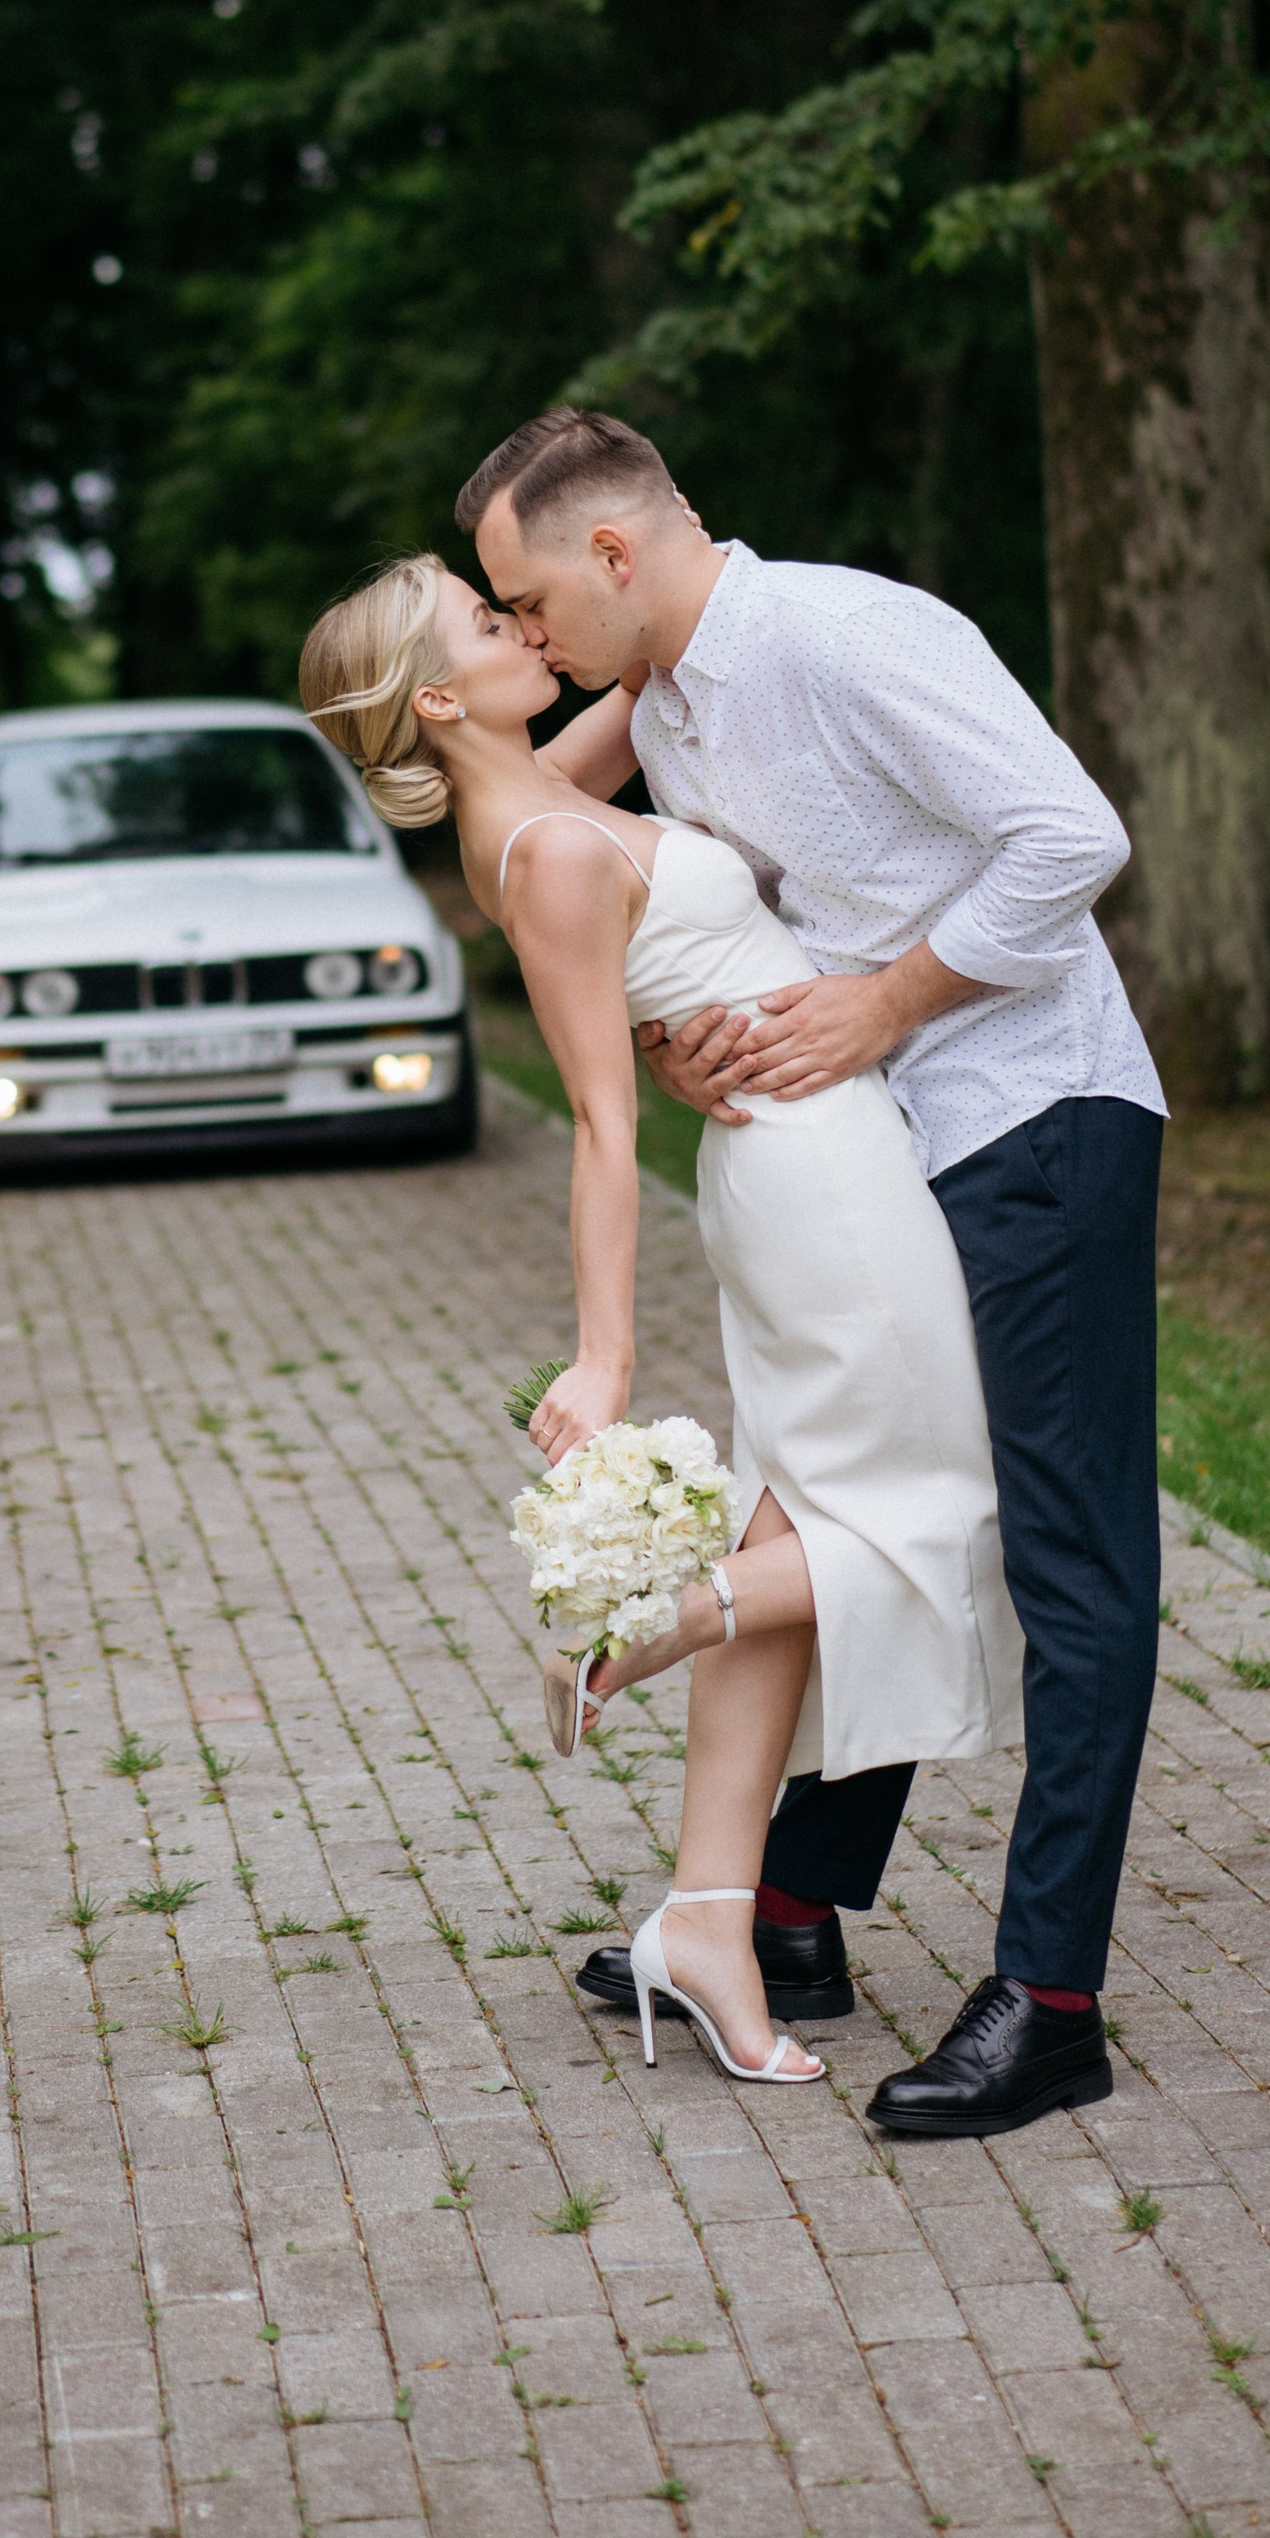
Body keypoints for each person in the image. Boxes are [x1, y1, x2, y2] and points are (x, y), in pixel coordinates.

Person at [459, 406, 1164, 2142]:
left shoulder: (847, 634)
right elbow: (550, 852)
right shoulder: (674, 694)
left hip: (1032, 1110)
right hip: (879, 1140)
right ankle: (788, 1913)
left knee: (1067, 1553)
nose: (531, 646)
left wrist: (883, 1001)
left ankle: (1052, 1996)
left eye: (530, 603)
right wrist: (684, 1031)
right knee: (878, 1485)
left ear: (614, 554)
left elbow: (1072, 840)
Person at [299, 554, 1022, 2094]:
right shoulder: (547, 848)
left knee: (796, 1515)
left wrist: (647, 569)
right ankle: (654, 1621)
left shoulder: (534, 791)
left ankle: (709, 1915)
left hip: (793, 1145)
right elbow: (600, 1128)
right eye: (493, 624)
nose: (528, 628)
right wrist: (605, 1350)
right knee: (936, 1512)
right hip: (820, 1176)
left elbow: (656, 655)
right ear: (439, 696)